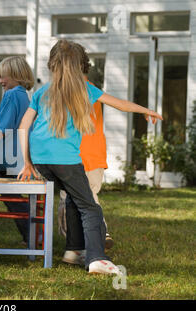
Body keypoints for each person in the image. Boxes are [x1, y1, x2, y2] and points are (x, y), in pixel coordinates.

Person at [17, 39, 162, 275]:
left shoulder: (42, 92)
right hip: (66, 161)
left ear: (52, 65)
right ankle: (96, 258)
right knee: (91, 208)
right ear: (80, 66)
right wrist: (145, 110)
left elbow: (24, 125)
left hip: (41, 160)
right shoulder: (86, 89)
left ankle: (74, 250)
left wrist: (27, 162)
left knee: (75, 199)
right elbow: (120, 105)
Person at [59, 43, 113, 267]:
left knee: (69, 202)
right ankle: (96, 236)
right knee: (89, 198)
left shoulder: (68, 92)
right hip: (94, 156)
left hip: (74, 157)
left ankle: (78, 248)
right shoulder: (92, 90)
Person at [0, 56, 35, 243]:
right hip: (19, 158)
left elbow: (2, 129)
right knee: (10, 195)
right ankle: (31, 234)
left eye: (3, 76)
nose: (0, 81)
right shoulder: (24, 95)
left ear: (17, 75)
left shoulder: (12, 94)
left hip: (7, 157)